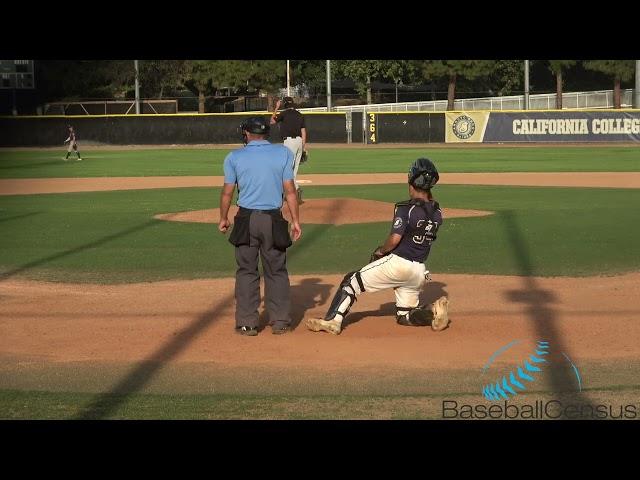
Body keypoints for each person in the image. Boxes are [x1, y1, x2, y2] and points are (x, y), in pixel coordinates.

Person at [305, 158, 449, 335]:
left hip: (398, 264)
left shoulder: (406, 209)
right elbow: (428, 205)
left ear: (412, 182)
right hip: (419, 271)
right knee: (405, 315)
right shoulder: (437, 213)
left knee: (351, 282)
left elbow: (395, 239)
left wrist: (381, 251)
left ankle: (333, 321)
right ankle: (432, 311)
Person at [219, 116, 302, 336]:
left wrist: (223, 217)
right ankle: (281, 321)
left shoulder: (234, 157)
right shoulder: (283, 153)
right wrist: (295, 220)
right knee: (276, 271)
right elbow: (290, 191)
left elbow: (228, 192)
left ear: (246, 133)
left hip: (246, 219)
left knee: (246, 271)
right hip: (273, 220)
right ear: (266, 133)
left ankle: (248, 323)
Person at [270, 96, 307, 204]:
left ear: (285, 104)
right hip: (299, 142)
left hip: (289, 142)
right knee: (294, 170)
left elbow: (272, 121)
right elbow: (303, 132)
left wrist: (276, 108)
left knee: (286, 169)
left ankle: (289, 193)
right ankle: (295, 192)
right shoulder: (299, 115)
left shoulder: (284, 113)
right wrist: (303, 147)